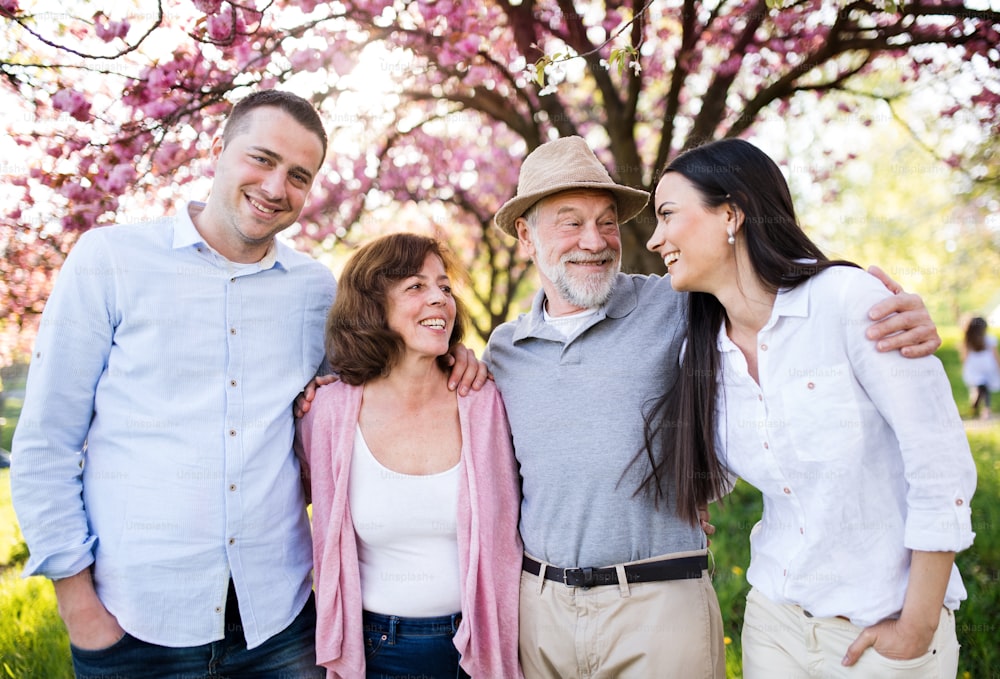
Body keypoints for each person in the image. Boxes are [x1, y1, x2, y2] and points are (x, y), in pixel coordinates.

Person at [9, 90, 483, 679]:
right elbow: (46, 444)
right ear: (219, 149)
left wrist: (452, 355)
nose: (276, 187)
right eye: (262, 159)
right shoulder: (110, 262)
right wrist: (80, 608)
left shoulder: (315, 291)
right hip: (135, 626)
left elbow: (380, 369)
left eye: (298, 176)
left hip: (279, 625)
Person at [483, 135, 944, 679]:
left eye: (607, 221)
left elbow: (779, 292)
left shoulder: (683, 301)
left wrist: (899, 310)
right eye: (570, 221)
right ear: (525, 236)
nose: (595, 240)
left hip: (659, 599)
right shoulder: (504, 352)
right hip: (543, 607)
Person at [643, 137, 977, 678]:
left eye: (667, 215)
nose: (655, 239)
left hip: (881, 630)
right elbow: (718, 473)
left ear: (730, 213)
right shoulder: (702, 348)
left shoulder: (851, 303)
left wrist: (915, 626)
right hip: (775, 625)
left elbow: (941, 467)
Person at [296, 233, 522, 679]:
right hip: (379, 650)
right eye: (416, 287)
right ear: (372, 306)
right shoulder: (327, 414)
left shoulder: (487, 402)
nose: (439, 297)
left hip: (484, 645)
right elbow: (282, 502)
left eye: (444, 286)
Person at [961, 315, 1000, 420]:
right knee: (983, 388)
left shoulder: (969, 340)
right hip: (986, 366)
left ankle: (981, 408)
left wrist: (965, 367)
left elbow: (964, 356)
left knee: (981, 388)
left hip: (975, 367)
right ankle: (981, 407)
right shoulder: (987, 339)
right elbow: (995, 355)